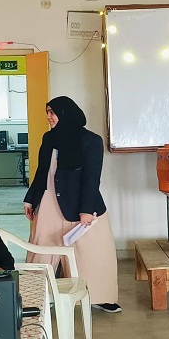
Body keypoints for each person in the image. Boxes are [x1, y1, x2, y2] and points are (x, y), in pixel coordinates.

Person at [24, 95, 121, 313]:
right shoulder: (49, 138)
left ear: (65, 113)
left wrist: (86, 209)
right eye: (47, 112)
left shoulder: (91, 140)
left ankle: (100, 296)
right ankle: (35, 296)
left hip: (81, 204)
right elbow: (41, 171)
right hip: (48, 201)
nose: (48, 117)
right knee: (42, 248)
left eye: (52, 112)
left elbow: (92, 178)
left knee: (92, 251)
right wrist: (30, 198)